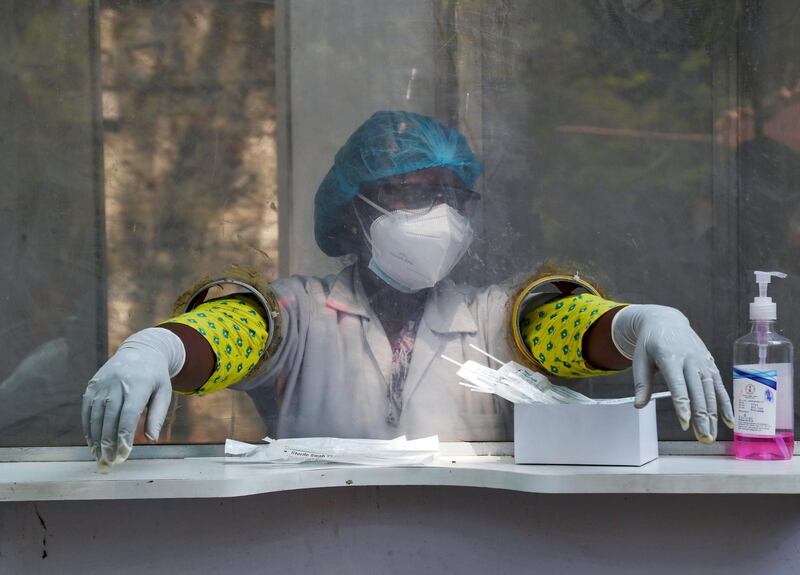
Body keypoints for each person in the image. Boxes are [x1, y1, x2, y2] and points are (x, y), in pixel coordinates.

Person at [82, 111, 734, 470]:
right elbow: (239, 328)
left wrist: (634, 325)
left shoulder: (489, 317)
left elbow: (561, 324)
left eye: (449, 194)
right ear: (353, 211)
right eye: (408, 191)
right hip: (308, 548)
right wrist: (163, 346)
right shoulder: (304, 312)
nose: (435, 211)